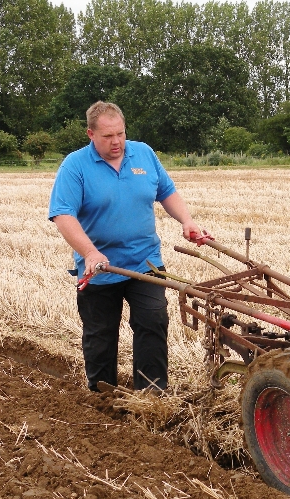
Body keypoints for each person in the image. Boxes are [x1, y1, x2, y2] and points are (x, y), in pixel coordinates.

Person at [48, 101, 208, 393]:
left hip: (145, 261)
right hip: (100, 268)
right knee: (101, 334)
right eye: (108, 136)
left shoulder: (143, 153)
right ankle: (101, 395)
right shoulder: (75, 166)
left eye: (120, 134)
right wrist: (89, 252)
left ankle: (151, 392)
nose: (116, 142)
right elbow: (63, 214)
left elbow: (167, 191)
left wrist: (187, 221)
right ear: (90, 134)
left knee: (154, 321)